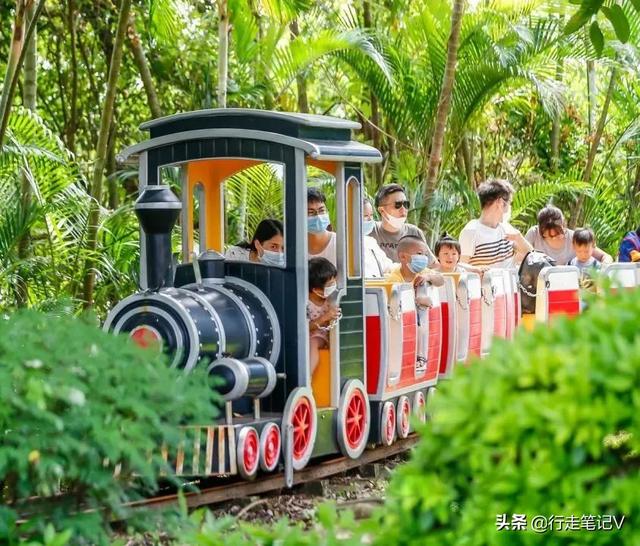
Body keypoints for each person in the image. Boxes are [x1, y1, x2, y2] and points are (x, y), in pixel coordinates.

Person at [459, 178, 532, 269]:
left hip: (510, 282)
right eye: (509, 203)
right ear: (500, 202)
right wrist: (477, 270)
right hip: (485, 283)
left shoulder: (506, 227)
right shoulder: (471, 231)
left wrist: (519, 238)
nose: (510, 207)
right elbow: (460, 267)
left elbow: (531, 256)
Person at [370, 184, 437, 263]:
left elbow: (433, 265)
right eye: (397, 205)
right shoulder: (370, 232)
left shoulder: (414, 232)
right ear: (382, 210)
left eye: (406, 204)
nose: (403, 209)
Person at [525, 205, 612, 265]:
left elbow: (605, 256)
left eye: (559, 234)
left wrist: (605, 265)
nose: (555, 238)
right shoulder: (533, 234)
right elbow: (521, 260)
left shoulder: (574, 237)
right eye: (550, 236)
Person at [307, 257, 341, 375]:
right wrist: (325, 317)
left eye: (334, 282)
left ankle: (308, 376)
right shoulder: (305, 303)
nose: (334, 286)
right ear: (316, 289)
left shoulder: (331, 300)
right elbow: (305, 327)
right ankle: (307, 378)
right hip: (310, 335)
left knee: (314, 342)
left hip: (323, 337)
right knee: (313, 342)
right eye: (330, 284)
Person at [363, 198, 394, 277]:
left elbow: (388, 266)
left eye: (371, 215)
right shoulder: (340, 243)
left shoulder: (370, 242)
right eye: (365, 216)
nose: (370, 219)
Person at [307, 187, 337, 265]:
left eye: (321, 210)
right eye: (310, 212)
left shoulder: (339, 243)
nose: (318, 216)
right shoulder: (295, 248)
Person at [569, 228, 601, 294]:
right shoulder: (571, 264)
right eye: (579, 251)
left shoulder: (596, 265)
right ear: (574, 247)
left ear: (593, 246)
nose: (583, 255)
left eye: (586, 251)